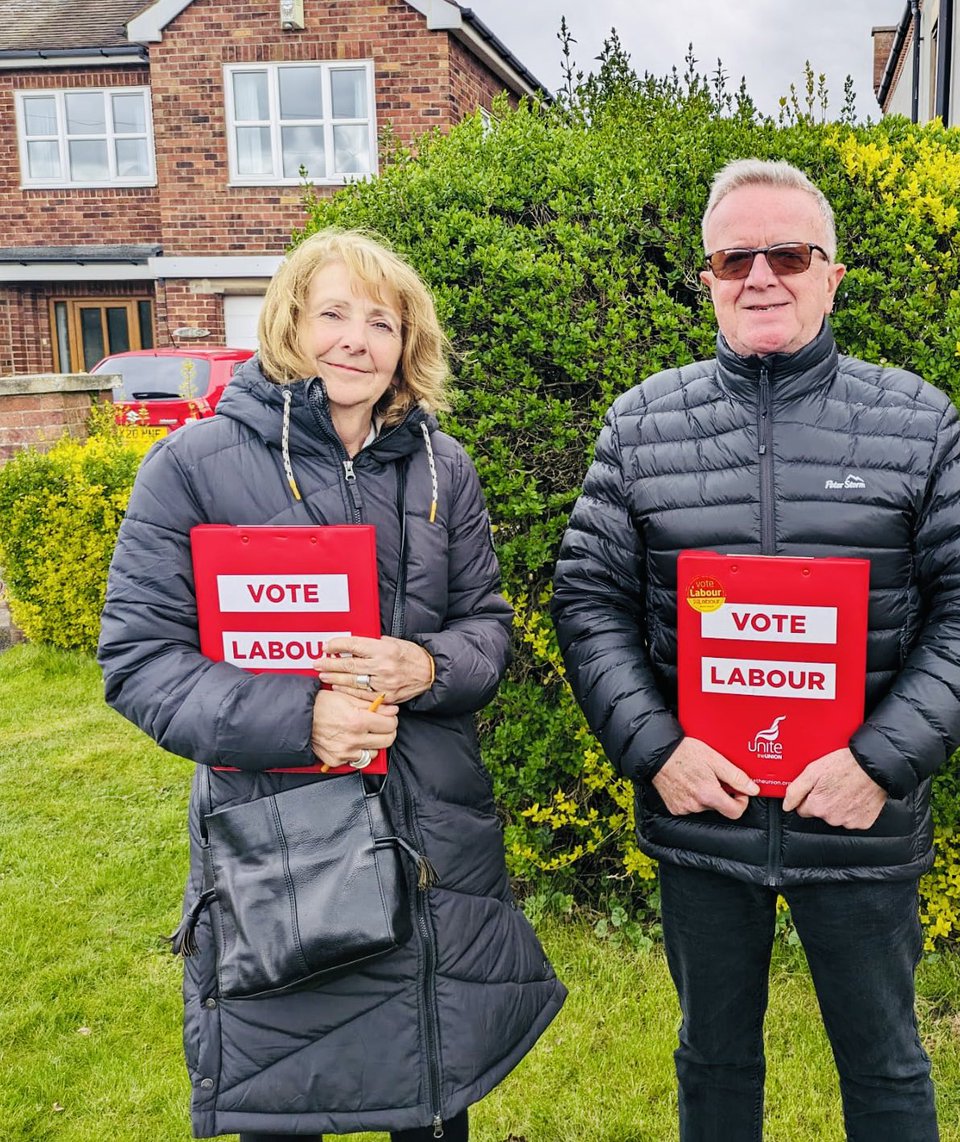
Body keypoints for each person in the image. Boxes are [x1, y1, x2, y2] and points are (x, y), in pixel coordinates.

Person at [550, 159, 960, 1141]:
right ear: (708, 276)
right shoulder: (640, 423)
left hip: (858, 821)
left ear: (830, 273)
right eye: (735, 256)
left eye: (788, 252)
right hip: (704, 816)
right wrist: (656, 749)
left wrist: (880, 763)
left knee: (885, 1063)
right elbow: (587, 598)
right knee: (713, 1059)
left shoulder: (916, 419)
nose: (760, 273)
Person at [98, 227, 565, 1142]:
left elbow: (489, 631)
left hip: (431, 833)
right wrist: (300, 719)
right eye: (334, 314)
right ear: (289, 324)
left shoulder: (444, 469)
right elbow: (141, 659)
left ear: (408, 342)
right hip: (280, 839)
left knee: (431, 1099)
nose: (357, 340)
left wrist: (428, 666)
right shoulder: (190, 468)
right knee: (287, 1096)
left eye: (382, 321)